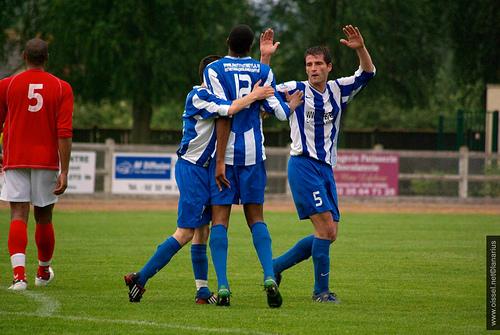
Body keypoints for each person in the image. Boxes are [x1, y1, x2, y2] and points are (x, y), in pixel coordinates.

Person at [124, 55, 276, 303]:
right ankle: (140, 278)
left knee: (202, 231)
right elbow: (234, 107)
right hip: (192, 169)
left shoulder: (216, 96)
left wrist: (264, 61)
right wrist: (255, 95)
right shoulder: (199, 96)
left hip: (206, 170)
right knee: (185, 231)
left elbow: (244, 103)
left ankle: (203, 291)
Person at [260, 25, 375, 302]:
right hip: (302, 166)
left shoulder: (339, 89)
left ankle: (275, 267)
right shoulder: (294, 89)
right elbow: (262, 91)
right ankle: (320, 292)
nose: (313, 69)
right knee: (324, 229)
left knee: (330, 233)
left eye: (318, 64)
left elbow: (368, 73)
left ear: (329, 67)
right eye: (309, 64)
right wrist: (265, 59)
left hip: (326, 169)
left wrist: (359, 48)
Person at [203, 24, 303, 307]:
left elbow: (224, 113)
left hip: (225, 157)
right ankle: (269, 276)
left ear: (227, 42)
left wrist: (219, 160)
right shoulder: (263, 72)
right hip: (253, 157)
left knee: (219, 221)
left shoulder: (215, 69)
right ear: (251, 48)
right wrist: (292, 104)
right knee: (256, 219)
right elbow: (281, 114)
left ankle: (222, 286)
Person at [0, 38, 73, 291]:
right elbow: (64, 132)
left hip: (15, 157)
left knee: (18, 214)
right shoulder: (62, 87)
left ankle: (19, 277)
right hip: (46, 160)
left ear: (23, 56)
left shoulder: (6, 86)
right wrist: (65, 170)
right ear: (47, 58)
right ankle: (43, 272)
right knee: (44, 216)